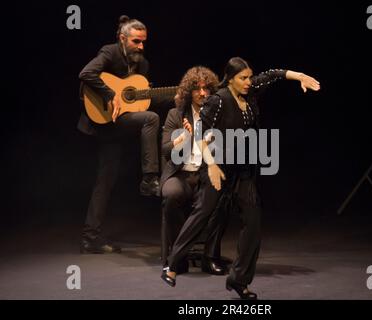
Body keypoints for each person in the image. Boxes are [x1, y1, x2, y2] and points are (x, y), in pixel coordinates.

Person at [161, 57, 320, 300]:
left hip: (243, 170)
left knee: (254, 223)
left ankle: (238, 280)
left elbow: (272, 74)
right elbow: (202, 133)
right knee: (203, 213)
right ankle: (172, 265)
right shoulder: (218, 100)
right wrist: (211, 164)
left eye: (249, 77)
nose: (248, 82)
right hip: (218, 166)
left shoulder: (250, 91)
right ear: (231, 79)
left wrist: (298, 75)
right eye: (243, 78)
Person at [78, 16, 161, 254]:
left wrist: (179, 96)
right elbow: (86, 74)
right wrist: (108, 95)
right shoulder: (110, 52)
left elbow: (141, 99)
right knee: (151, 118)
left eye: (144, 42)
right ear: (122, 39)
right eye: (136, 41)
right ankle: (149, 178)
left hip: (118, 124)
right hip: (103, 120)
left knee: (106, 181)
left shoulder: (141, 65)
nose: (141, 46)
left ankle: (90, 238)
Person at [160, 66, 229, 275]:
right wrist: (181, 141)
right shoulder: (176, 114)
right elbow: (165, 150)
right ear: (189, 92)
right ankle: (179, 257)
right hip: (180, 174)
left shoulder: (217, 116)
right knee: (171, 195)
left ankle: (209, 258)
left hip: (204, 174)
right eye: (197, 89)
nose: (202, 93)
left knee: (222, 198)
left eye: (207, 89)